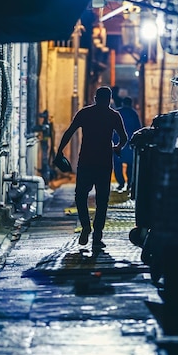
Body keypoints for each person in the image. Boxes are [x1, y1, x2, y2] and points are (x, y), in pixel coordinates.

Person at [56, 86, 128, 250]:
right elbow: (124, 138)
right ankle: (97, 236)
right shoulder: (113, 116)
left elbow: (69, 132)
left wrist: (59, 150)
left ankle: (85, 226)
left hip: (86, 161)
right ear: (109, 99)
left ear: (95, 98)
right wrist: (117, 148)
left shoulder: (85, 113)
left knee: (80, 196)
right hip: (104, 163)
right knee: (102, 201)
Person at [113, 96, 142, 191]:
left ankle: (121, 183)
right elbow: (138, 128)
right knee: (130, 164)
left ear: (122, 103)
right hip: (130, 143)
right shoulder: (133, 114)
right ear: (131, 104)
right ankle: (129, 183)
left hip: (118, 142)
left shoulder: (117, 112)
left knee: (117, 164)